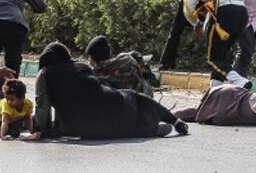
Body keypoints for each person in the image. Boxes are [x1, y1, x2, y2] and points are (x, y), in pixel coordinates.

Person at [27, 42, 189, 141]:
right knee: (134, 97)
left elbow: (43, 104)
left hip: (84, 129)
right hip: (117, 109)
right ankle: (174, 121)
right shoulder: (82, 67)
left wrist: (40, 131)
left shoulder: (44, 74)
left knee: (117, 129)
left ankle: (151, 129)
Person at [183, 0, 250, 88]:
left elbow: (188, 8)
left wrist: (196, 24)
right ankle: (214, 89)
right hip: (242, 12)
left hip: (225, 11)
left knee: (213, 58)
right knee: (222, 55)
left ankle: (239, 81)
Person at [174, 84, 256, 127]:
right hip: (233, 102)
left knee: (200, 111)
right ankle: (171, 116)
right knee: (202, 112)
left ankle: (172, 116)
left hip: (233, 94)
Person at [86, 35, 159, 97]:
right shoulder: (127, 59)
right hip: (144, 102)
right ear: (109, 51)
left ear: (92, 59)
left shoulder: (94, 75)